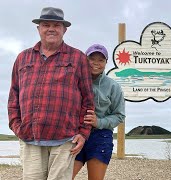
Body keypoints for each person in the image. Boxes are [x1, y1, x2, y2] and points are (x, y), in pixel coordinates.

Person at [7, 7, 94, 180]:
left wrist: (83, 133)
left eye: (56, 25)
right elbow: (13, 97)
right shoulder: (22, 58)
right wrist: (17, 126)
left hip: (65, 140)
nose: (51, 29)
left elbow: (88, 100)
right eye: (46, 25)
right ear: (38, 28)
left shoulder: (78, 58)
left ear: (64, 29)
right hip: (30, 138)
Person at [73, 44, 125, 180]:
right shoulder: (74, 81)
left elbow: (119, 115)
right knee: (63, 176)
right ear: (85, 59)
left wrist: (99, 122)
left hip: (100, 137)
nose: (96, 63)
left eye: (101, 60)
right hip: (75, 135)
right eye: (92, 58)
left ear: (106, 63)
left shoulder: (113, 86)